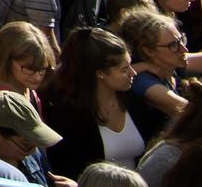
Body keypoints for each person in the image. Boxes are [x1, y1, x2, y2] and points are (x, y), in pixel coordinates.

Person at [44, 28, 144, 178]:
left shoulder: (135, 100)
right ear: (100, 73)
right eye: (124, 69)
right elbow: (66, 168)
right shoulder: (69, 115)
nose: (133, 73)